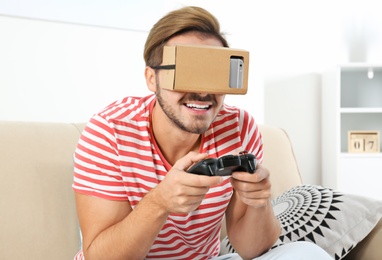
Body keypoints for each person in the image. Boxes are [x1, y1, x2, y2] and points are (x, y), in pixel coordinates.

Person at [72, 6, 333, 260]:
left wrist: (258, 201)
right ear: (152, 78)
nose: (202, 91)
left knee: (308, 254)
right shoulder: (110, 131)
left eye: (214, 74)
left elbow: (252, 250)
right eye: (187, 71)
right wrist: (159, 202)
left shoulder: (239, 127)